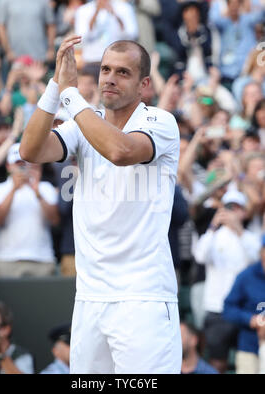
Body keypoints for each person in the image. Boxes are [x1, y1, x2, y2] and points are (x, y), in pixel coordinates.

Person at [20, 36, 182, 373]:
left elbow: (120, 151)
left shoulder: (161, 122)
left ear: (144, 84)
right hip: (89, 297)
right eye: (105, 69)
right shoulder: (84, 121)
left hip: (143, 298)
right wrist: (55, 86)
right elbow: (30, 151)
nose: (109, 77)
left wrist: (71, 95)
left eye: (123, 72)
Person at [194, 189, 261, 373]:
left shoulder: (251, 236)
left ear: (244, 212)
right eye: (227, 207)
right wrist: (213, 226)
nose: (232, 211)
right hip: (217, 309)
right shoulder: (213, 236)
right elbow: (200, 256)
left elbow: (257, 258)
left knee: (247, 361)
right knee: (218, 362)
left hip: (244, 310)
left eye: (236, 207)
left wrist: (238, 230)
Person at [0, 143, 59, 278]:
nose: (23, 168)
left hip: (42, 259)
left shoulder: (45, 188)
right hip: (7, 259)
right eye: (18, 164)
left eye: (26, 164)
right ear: (8, 166)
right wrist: (13, 189)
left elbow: (55, 220)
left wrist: (37, 192)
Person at [223, 233, 265, 374]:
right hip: (250, 345)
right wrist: (251, 320)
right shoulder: (247, 276)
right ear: (261, 252)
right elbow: (228, 308)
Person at [74, 0, 138, 78]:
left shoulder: (125, 8)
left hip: (118, 61)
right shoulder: (83, 10)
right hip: (92, 61)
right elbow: (82, 38)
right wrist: (96, 13)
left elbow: (132, 35)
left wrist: (116, 15)